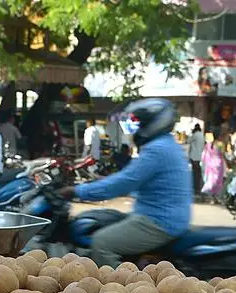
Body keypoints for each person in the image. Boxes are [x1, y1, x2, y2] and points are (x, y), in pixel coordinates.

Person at [58, 98, 190, 267]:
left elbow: (124, 182)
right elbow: (132, 180)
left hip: (159, 221)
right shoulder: (166, 145)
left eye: (139, 124)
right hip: (161, 216)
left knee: (102, 243)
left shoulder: (157, 149)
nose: (136, 129)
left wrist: (77, 191)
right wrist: (101, 182)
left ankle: (118, 289)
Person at [200, 139, 226, 204]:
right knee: (217, 182)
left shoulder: (208, 144)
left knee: (211, 180)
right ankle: (214, 197)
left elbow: (204, 154)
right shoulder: (221, 144)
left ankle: (212, 198)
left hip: (210, 164)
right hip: (218, 165)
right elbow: (223, 155)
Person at [187, 123, 205, 194]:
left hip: (194, 156)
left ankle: (195, 187)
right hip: (200, 157)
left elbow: (188, 141)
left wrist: (191, 133)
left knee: (195, 173)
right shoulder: (202, 135)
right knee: (198, 173)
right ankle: (198, 188)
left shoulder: (195, 134)